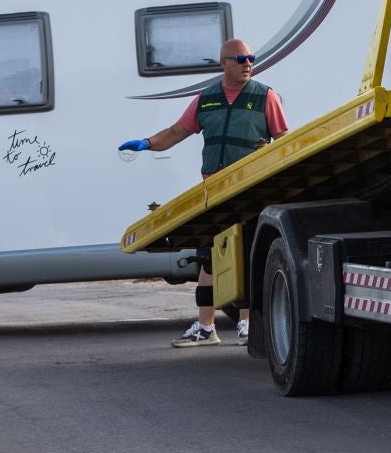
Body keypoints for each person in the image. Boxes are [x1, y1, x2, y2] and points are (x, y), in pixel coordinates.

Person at [119, 39, 287, 347]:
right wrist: (146, 143)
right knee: (211, 258)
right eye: (240, 58)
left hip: (250, 189)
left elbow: (284, 139)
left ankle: (248, 324)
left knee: (249, 254)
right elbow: (174, 133)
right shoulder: (205, 99)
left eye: (250, 58)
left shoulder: (265, 96)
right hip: (215, 191)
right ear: (223, 63)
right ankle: (205, 326)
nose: (248, 63)